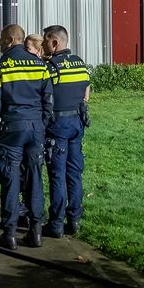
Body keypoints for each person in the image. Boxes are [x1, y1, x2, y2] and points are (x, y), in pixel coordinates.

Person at [0, 24, 53, 250]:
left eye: (2, 39)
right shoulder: (40, 64)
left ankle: (10, 234)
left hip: (11, 129)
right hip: (36, 129)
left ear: (12, 39)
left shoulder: (1, 66)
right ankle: (36, 232)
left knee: (11, 179)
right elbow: (48, 102)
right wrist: (41, 124)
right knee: (35, 178)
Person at [41, 25, 90, 238]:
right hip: (77, 124)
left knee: (57, 174)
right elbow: (86, 93)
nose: (42, 45)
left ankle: (56, 224)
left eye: (45, 41)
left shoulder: (51, 67)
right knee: (74, 173)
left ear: (55, 42)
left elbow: (42, 96)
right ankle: (75, 219)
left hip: (57, 126)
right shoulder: (80, 64)